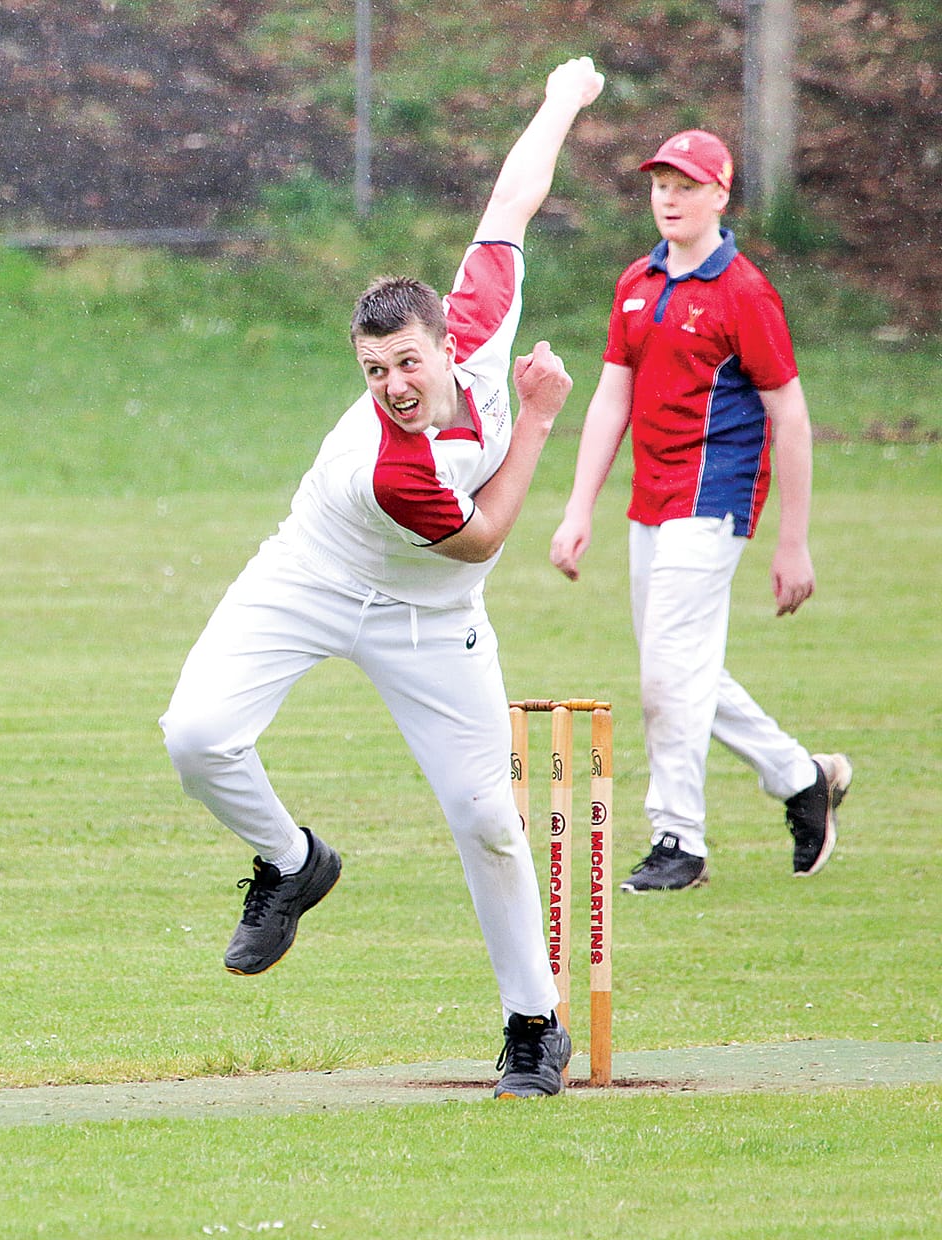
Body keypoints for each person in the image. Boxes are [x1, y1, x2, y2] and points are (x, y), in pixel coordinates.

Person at [161, 58, 604, 1098]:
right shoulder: (387, 464)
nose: (395, 387)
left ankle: (532, 1024)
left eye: (407, 363)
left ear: (447, 340)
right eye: (372, 373)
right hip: (312, 573)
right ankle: (288, 861)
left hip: (429, 616)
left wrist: (557, 100)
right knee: (195, 736)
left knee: (484, 814)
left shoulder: (482, 312)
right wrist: (540, 418)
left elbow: (511, 198)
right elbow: (486, 533)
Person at [548, 130, 851, 892]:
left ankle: (678, 839)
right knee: (681, 669)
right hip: (649, 501)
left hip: (714, 502)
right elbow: (613, 394)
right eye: (659, 183)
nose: (669, 197)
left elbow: (791, 415)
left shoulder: (745, 290)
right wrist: (578, 506)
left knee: (666, 678)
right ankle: (800, 776)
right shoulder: (636, 283)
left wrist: (794, 543)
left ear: (720, 195)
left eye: (685, 184)